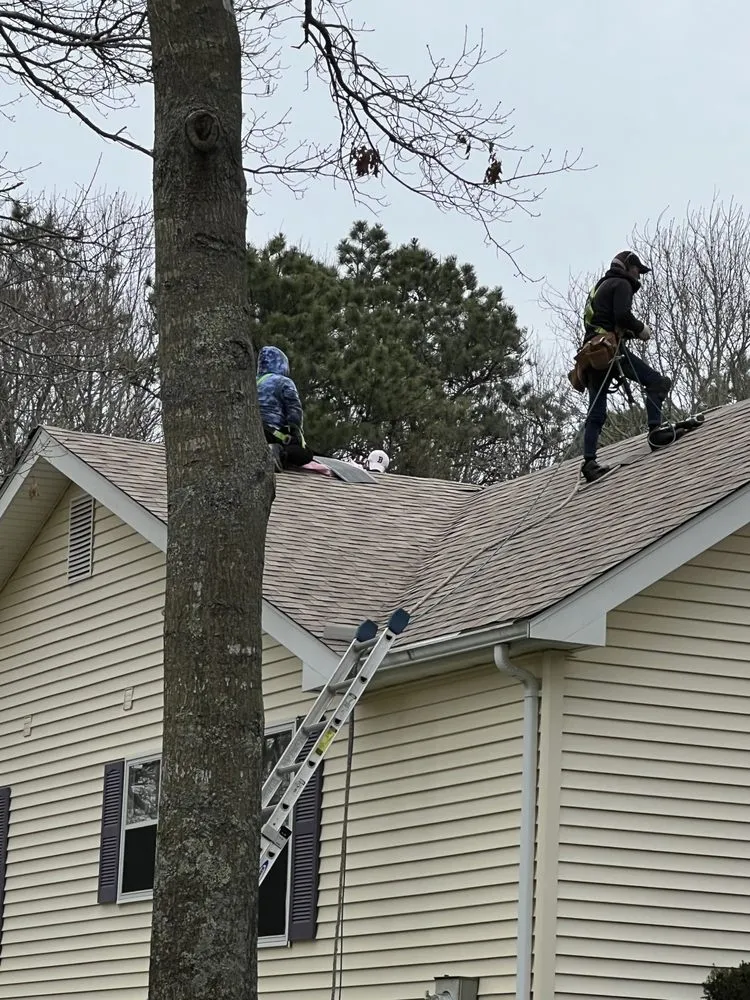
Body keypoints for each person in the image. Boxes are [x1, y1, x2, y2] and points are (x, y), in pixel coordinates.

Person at [580, 250, 673, 483]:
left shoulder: (601, 287)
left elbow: (604, 319)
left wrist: (628, 331)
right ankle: (655, 433)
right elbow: (622, 315)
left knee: (596, 412)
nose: (638, 276)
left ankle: (589, 462)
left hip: (593, 353)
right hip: (611, 350)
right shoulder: (622, 284)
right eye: (637, 270)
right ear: (627, 267)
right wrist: (641, 329)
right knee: (657, 382)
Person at [256, 346, 314, 471]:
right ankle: (277, 453)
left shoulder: (251, 382)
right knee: (306, 454)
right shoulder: (283, 382)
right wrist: (295, 432)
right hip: (272, 433)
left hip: (252, 431)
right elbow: (294, 411)